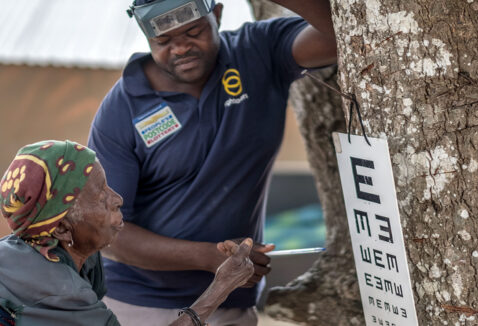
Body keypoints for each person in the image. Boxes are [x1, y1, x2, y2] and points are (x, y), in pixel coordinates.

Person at [87, 0, 337, 324]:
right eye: (163, 41)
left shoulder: (257, 53)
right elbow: (105, 232)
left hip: (231, 305)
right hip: (137, 305)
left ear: (216, 14)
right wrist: (209, 257)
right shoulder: (123, 110)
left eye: (193, 32)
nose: (181, 48)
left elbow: (343, 36)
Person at [0, 140, 254, 326]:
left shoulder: (73, 255)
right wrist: (220, 288)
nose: (117, 198)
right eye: (100, 195)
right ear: (62, 227)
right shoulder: (57, 288)